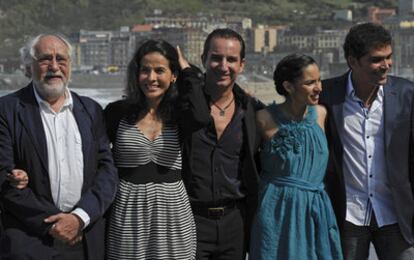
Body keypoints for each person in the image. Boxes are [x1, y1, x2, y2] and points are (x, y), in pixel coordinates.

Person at [0, 34, 118, 260]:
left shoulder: (91, 110)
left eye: (61, 59)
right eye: (45, 59)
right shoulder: (6, 110)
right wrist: (56, 224)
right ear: (28, 66)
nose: (54, 66)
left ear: (70, 66)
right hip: (30, 241)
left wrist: (79, 218)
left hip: (85, 239)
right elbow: (4, 177)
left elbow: (107, 171)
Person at [104, 39, 209, 259]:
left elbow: (202, 116)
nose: (151, 78)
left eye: (160, 70)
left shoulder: (180, 114)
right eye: (145, 70)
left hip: (173, 211)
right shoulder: (117, 113)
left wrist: (186, 68)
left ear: (173, 75)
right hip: (128, 211)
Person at [320, 22, 414, 259]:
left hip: (396, 216)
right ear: (353, 61)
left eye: (389, 57)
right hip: (348, 217)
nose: (386, 66)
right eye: (376, 59)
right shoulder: (327, 95)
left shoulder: (406, 94)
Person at [249, 54, 342, 259]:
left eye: (319, 80)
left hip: (316, 210)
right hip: (277, 211)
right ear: (289, 87)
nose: (319, 87)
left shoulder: (321, 114)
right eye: (310, 83)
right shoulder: (263, 119)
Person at [181, 28, 263, 260]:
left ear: (242, 64)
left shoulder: (253, 111)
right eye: (216, 58)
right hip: (189, 218)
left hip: (235, 221)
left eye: (231, 59)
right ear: (203, 60)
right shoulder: (182, 108)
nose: (223, 65)